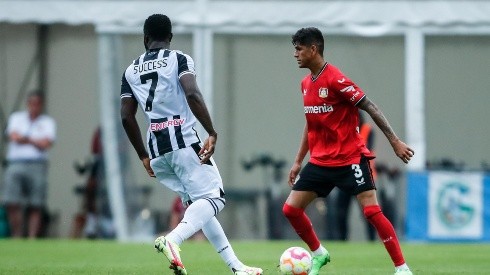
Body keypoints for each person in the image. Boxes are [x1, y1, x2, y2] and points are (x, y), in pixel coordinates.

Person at [120, 14, 263, 275]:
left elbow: (126, 115)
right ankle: (173, 239)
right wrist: (211, 130)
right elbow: (192, 93)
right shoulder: (179, 59)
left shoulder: (130, 71)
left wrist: (142, 155)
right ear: (170, 38)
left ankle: (236, 267)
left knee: (200, 205)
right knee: (214, 197)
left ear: (145, 38)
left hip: (156, 150)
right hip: (183, 142)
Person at [282, 27, 414, 275]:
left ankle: (402, 268)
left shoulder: (335, 79)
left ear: (313, 49)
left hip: (350, 159)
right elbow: (310, 123)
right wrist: (298, 161)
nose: (295, 54)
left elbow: (370, 106)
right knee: (290, 209)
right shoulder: (305, 84)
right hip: (320, 162)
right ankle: (319, 254)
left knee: (372, 212)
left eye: (299, 49)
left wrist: (395, 141)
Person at [1, 91, 56, 238]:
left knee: (36, 203)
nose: (34, 107)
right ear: (27, 104)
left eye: (37, 104)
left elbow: (46, 143)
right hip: (16, 163)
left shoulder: (47, 122)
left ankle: (32, 237)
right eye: (32, 103)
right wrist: (34, 140)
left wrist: (25, 138)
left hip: (37, 165)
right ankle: (17, 235)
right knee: (12, 201)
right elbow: (13, 136)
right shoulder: (16, 118)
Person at [334, 112, 377, 241]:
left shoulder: (368, 130)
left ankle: (371, 239)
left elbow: (365, 149)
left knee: (368, 211)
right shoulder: (343, 130)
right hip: (345, 176)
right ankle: (342, 239)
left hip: (363, 176)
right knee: (341, 211)